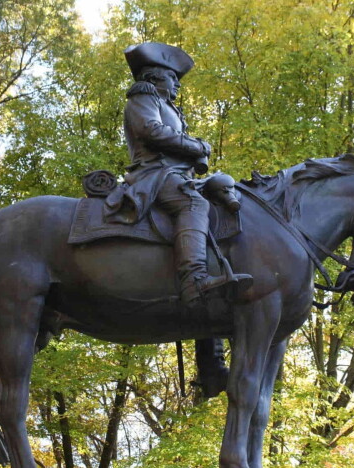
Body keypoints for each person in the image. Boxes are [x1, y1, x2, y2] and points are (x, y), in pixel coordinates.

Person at [105, 42, 251, 397]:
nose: (178, 86)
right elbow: (152, 133)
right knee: (194, 205)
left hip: (176, 173)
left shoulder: (167, 105)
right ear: (157, 77)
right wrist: (196, 146)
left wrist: (196, 153)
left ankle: (212, 364)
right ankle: (193, 280)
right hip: (154, 176)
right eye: (174, 79)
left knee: (218, 194)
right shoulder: (143, 98)